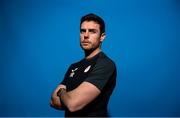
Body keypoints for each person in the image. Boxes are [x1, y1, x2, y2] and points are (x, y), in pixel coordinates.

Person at [50, 13, 117, 117]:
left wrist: (62, 92)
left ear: (102, 37)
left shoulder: (106, 64)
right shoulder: (74, 67)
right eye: (83, 31)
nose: (86, 35)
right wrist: (68, 100)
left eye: (92, 31)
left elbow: (73, 105)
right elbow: (53, 101)